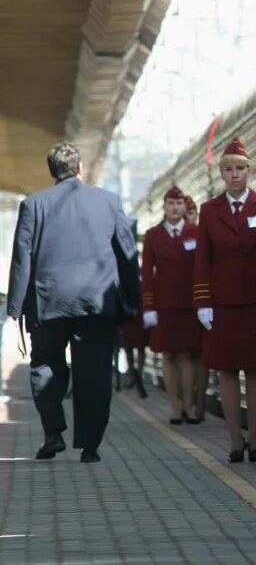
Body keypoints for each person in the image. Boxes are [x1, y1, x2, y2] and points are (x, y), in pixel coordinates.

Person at [5, 142, 140, 463]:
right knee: (94, 373)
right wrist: (132, 299)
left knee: (44, 367)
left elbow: (22, 258)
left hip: (49, 303)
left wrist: (15, 308)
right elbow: (127, 253)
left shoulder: (34, 204)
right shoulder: (108, 201)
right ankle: (90, 446)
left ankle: (53, 433)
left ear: (52, 172)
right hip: (96, 302)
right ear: (79, 169)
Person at [193, 138, 256, 462]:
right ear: (222, 174)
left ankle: (255, 440)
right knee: (227, 372)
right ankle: (234, 440)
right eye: (229, 170)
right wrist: (203, 302)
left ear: (249, 171)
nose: (234, 175)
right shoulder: (209, 211)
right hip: (222, 303)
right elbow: (203, 259)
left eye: (240, 169)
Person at [142, 186, 204, 424]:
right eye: (170, 204)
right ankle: (175, 407)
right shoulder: (153, 235)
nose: (175, 208)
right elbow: (147, 272)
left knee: (187, 355)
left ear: (184, 207)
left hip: (190, 303)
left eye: (179, 204)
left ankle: (188, 405)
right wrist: (148, 306)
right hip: (164, 304)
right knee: (169, 355)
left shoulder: (196, 232)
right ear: (164, 207)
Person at [184, 194, 208, 422]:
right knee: (186, 356)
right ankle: (187, 404)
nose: (190, 218)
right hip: (184, 304)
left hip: (201, 302)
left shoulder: (202, 233)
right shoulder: (180, 236)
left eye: (193, 213)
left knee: (202, 357)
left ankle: (199, 403)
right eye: (187, 214)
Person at [118, 304, 149, 399]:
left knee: (133, 349)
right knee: (137, 349)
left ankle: (135, 375)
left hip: (133, 313)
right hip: (133, 314)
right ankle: (136, 375)